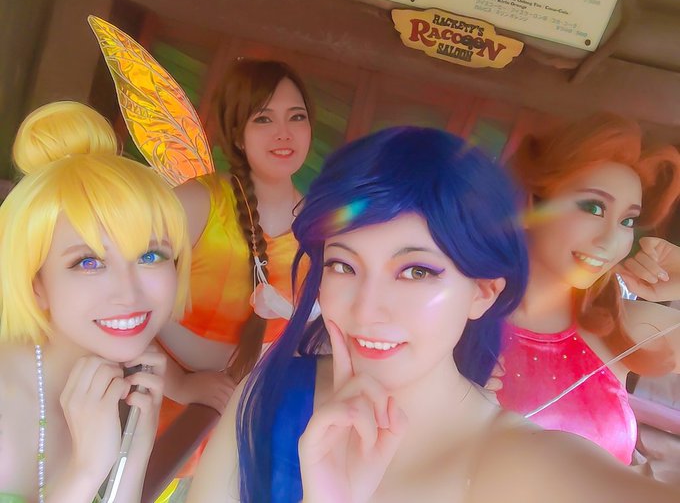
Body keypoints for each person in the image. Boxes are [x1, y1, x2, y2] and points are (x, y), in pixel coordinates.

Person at [186, 126, 680, 503]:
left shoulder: (521, 462)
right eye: (343, 265)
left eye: (416, 271)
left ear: (482, 293)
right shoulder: (268, 393)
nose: (366, 308)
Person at [0, 101, 191, 503]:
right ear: (35, 284)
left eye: (150, 255)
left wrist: (134, 448)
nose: (129, 293)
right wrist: (85, 471)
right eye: (89, 262)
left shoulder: (125, 384)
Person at [493, 113, 680, 466]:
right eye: (593, 208)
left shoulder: (625, 329)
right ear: (532, 202)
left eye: (627, 221)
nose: (611, 239)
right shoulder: (456, 317)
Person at [159, 58, 314, 415]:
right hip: (161, 403)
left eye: (296, 117)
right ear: (236, 132)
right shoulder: (196, 204)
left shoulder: (320, 230)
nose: (284, 133)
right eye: (263, 119)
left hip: (252, 411)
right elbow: (119, 301)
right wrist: (179, 384)